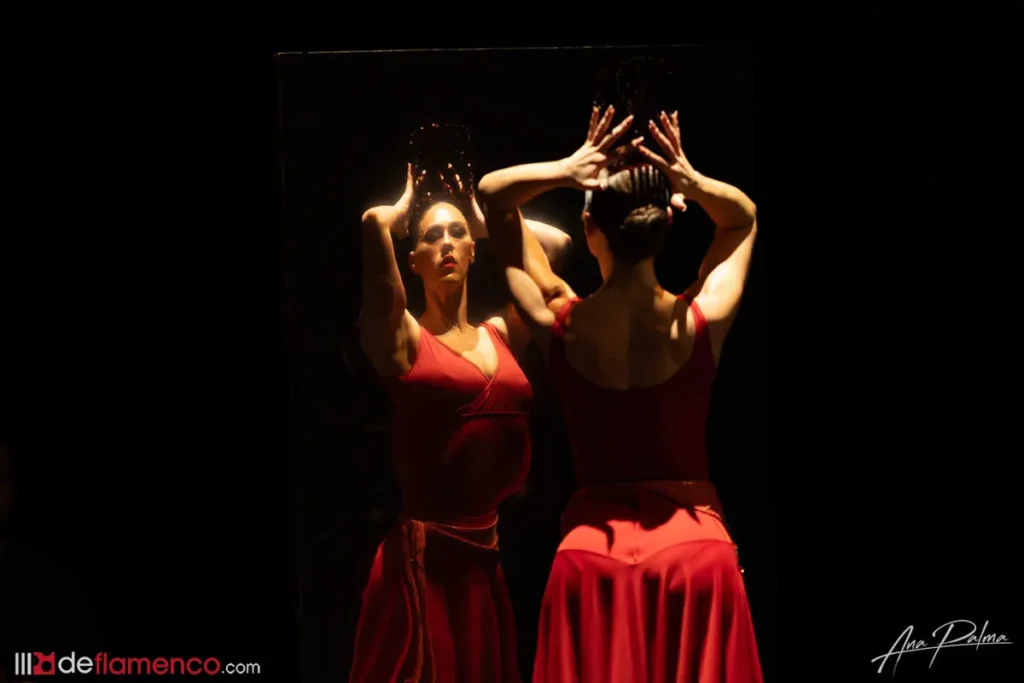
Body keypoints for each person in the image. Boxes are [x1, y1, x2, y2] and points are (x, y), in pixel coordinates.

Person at [477, 105, 762, 682]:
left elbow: (493, 197)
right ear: (666, 227)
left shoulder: (558, 318)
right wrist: (688, 178)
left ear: (589, 229)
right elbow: (743, 220)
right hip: (695, 559)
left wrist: (568, 169)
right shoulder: (702, 319)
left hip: (592, 562)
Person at [350, 140, 572, 683]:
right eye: (431, 236)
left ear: (473, 250)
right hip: (425, 562)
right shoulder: (406, 340)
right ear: (414, 261)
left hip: (485, 555)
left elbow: (558, 245)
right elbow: (381, 296)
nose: (446, 243)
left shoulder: (500, 334)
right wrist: (381, 223)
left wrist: (481, 220)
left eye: (456, 235)